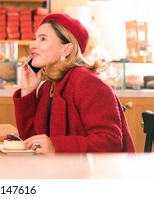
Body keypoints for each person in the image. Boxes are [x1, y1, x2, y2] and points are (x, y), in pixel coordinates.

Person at [13, 13, 135, 154]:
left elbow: (110, 143)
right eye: (35, 38)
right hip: (63, 170)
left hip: (94, 174)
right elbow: (33, 141)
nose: (32, 45)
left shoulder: (88, 83)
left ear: (66, 49)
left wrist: (55, 146)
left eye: (43, 39)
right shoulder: (49, 85)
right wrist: (28, 90)